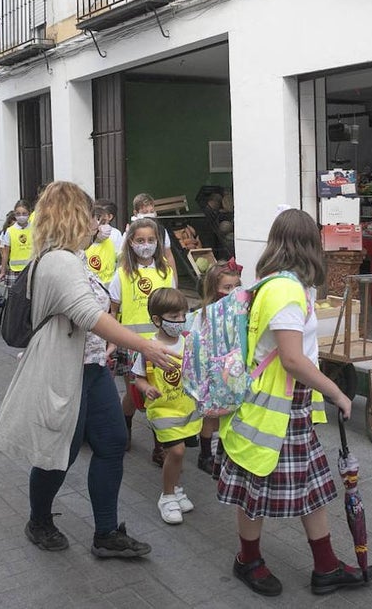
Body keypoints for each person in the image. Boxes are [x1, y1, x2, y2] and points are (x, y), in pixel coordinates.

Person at [0, 181, 180, 559]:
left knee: (110, 445)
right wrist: (144, 345)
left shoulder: (74, 256)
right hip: (66, 373)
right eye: (89, 215)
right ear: (73, 216)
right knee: (61, 452)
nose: (96, 222)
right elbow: (89, 315)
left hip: (92, 369)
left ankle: (106, 532)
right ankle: (39, 520)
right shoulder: (58, 261)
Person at [217, 209, 371, 597]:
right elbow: (291, 358)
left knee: (311, 485)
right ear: (308, 245)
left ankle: (325, 566)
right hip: (276, 410)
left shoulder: (275, 284)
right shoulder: (285, 290)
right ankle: (247, 560)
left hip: (285, 406)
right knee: (255, 488)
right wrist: (336, 393)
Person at [109, 217, 177, 463]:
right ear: (131, 244)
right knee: (133, 394)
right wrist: (112, 342)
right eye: (140, 240)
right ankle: (125, 428)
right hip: (132, 345)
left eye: (150, 240)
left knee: (160, 393)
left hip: (160, 345)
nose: (146, 245)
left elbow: (173, 310)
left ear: (157, 243)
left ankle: (160, 446)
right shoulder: (122, 275)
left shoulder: (166, 272)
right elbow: (113, 312)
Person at [132, 287, 200, 524]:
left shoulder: (189, 342)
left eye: (183, 314)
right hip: (162, 410)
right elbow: (137, 377)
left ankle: (175, 487)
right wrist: (146, 388)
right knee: (176, 451)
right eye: (173, 317)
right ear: (157, 320)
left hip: (187, 408)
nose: (180, 321)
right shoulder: (148, 348)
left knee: (179, 454)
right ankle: (167, 496)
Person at [195, 259, 244, 474]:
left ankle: (221, 450)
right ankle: (205, 454)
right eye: (227, 288)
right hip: (213, 369)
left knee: (228, 412)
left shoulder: (240, 310)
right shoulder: (207, 312)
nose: (233, 292)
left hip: (232, 369)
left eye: (236, 287)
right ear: (214, 289)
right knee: (212, 415)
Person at [0, 200, 33, 286]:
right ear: (15, 214)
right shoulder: (10, 231)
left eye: (24, 214)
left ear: (29, 213)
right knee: (14, 297)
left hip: (31, 269)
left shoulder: (34, 229)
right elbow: (5, 253)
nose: (21, 216)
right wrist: (2, 271)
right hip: (14, 270)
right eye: (18, 214)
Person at [86, 203, 118, 284]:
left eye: (104, 222)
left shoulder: (111, 241)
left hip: (108, 286)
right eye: (99, 222)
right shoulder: (84, 245)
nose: (102, 226)